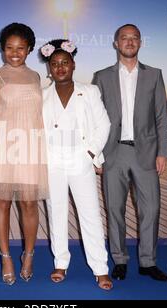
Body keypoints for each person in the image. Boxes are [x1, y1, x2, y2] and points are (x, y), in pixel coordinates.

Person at [92, 24, 167, 282]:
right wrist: (96, 153)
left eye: (134, 37)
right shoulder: (101, 76)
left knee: (151, 209)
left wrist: (163, 152)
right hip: (113, 152)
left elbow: (161, 116)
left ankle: (148, 262)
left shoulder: (154, 75)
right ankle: (120, 260)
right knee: (114, 209)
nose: (129, 41)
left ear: (140, 42)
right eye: (124, 38)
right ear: (116, 43)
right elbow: (95, 117)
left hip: (146, 152)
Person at [40, 39, 113, 290]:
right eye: (55, 63)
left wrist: (90, 152)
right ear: (49, 68)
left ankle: (100, 268)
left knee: (90, 214)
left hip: (80, 159)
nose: (60, 67)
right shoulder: (42, 95)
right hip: (52, 162)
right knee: (56, 212)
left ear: (73, 65)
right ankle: (60, 262)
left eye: (65, 63)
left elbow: (104, 124)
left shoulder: (89, 91)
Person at [0, 23, 49, 285]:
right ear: (2, 49)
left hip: (31, 146)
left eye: (20, 48)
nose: (15, 53)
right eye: (9, 48)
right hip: (3, 146)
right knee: (3, 202)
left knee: (30, 204)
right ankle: (6, 256)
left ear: (29, 49)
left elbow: (37, 116)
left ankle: (29, 255)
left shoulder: (35, 77)